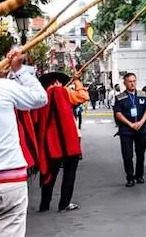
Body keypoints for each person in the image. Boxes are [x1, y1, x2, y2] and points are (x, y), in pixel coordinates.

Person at [0, 49, 46, 236]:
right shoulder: (1, 87)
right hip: (8, 182)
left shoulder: (1, 86)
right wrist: (19, 70)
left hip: (8, 180)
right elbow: (40, 98)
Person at [35, 72, 88, 213]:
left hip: (50, 143)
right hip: (69, 142)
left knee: (49, 174)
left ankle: (44, 204)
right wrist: (77, 81)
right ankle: (64, 203)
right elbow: (84, 96)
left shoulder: (41, 96)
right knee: (69, 173)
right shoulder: (64, 92)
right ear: (58, 82)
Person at [113, 72, 146, 187]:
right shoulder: (120, 97)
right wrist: (130, 124)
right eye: (130, 81)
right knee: (127, 155)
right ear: (125, 83)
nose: (132, 83)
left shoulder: (142, 94)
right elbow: (118, 113)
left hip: (140, 128)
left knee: (141, 154)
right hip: (126, 130)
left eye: (134, 81)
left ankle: (139, 175)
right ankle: (130, 177)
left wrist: (141, 122)